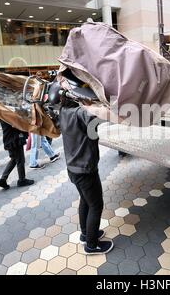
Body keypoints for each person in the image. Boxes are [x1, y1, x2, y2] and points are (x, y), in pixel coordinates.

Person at [59, 98, 113, 255]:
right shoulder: (82, 113)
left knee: (86, 200)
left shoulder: (64, 111)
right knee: (96, 205)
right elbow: (95, 130)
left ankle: (86, 234)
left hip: (73, 168)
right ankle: (92, 245)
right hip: (86, 169)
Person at [0, 120, 34, 190]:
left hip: (10, 138)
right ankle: (22, 180)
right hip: (14, 139)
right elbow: (15, 124)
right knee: (20, 160)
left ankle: (2, 179)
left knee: (14, 159)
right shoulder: (5, 113)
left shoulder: (2, 113)